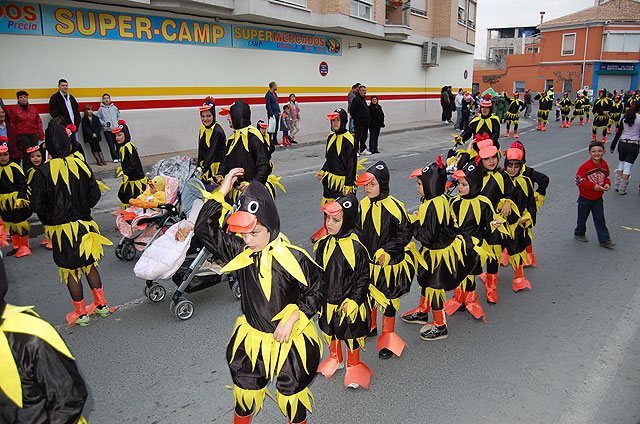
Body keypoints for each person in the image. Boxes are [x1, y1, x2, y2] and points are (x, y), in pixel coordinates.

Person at [195, 171, 324, 424]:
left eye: (255, 232)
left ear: (271, 226)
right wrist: (221, 192)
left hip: (289, 341)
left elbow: (317, 290)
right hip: (253, 339)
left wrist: (296, 314)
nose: (248, 240)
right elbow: (203, 230)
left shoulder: (295, 258)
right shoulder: (240, 251)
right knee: (245, 395)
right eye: (244, 233)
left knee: (291, 398)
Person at [30, 121, 115, 326]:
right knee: (89, 264)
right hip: (85, 226)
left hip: (61, 230)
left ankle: (82, 314)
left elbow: (37, 204)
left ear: (48, 149)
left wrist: (50, 220)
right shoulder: (81, 165)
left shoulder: (42, 172)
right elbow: (94, 195)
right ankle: (102, 305)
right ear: (69, 145)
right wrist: (82, 209)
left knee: (71, 270)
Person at [0, 257, 89, 423]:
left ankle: (82, 312)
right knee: (82, 266)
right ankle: (97, 305)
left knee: (72, 269)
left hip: (67, 233)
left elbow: (68, 400)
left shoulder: (29, 334)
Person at [356, 161, 416, 360]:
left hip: (390, 266)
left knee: (389, 300)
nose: (367, 189)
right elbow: (357, 231)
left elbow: (404, 234)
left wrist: (388, 251)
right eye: (366, 185)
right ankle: (371, 326)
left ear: (383, 184)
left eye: (372, 184)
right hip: (370, 265)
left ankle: (388, 337)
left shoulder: (395, 207)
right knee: (370, 295)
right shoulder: (362, 205)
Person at [404, 159, 467, 341]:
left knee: (434, 287)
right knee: (426, 280)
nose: (417, 186)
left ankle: (440, 325)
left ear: (431, 185)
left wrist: (414, 224)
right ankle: (423, 311)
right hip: (436, 250)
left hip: (438, 253)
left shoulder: (433, 206)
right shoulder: (437, 199)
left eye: (419, 183)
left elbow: (428, 236)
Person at [315, 194, 373, 389]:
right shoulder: (323, 245)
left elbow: (363, 277)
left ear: (347, 221)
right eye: (328, 218)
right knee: (330, 330)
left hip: (348, 303)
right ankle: (335, 358)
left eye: (336, 220)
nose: (329, 224)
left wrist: (355, 300)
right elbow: (319, 274)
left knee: (350, 335)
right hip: (328, 301)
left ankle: (354, 365)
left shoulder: (357, 248)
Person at [444, 159, 504, 320]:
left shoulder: (483, 203)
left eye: (465, 184)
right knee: (457, 273)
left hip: (474, 246)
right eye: (459, 184)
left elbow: (488, 222)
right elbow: (451, 222)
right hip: (457, 246)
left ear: (475, 184)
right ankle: (459, 300)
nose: (460, 188)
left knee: (470, 274)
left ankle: (471, 300)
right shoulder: (455, 202)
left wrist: (494, 224)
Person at [475, 137, 516, 305]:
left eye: (493, 157)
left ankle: (491, 288)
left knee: (493, 256)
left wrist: (507, 201)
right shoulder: (474, 175)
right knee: (474, 257)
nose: (491, 161)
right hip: (476, 223)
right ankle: (466, 296)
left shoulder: (502, 175)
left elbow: (509, 192)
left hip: (495, 223)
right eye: (486, 158)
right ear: (480, 159)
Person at [312, 108, 357, 241]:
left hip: (342, 182)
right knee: (328, 206)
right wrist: (323, 171)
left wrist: (348, 184)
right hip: (329, 180)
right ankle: (327, 230)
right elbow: (329, 159)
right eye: (333, 121)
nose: (335, 123)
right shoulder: (330, 137)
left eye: (337, 120)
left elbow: (351, 164)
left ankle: (344, 233)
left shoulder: (349, 139)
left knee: (340, 209)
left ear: (343, 121)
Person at [218, 99, 272, 203]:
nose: (228, 118)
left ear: (237, 116)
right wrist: (220, 175)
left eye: (230, 115)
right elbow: (225, 161)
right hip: (235, 194)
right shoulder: (232, 139)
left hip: (252, 194)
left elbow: (264, 166)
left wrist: (252, 185)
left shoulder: (254, 138)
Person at [501, 145, 536, 292]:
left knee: (517, 250)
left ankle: (519, 277)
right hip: (501, 223)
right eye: (510, 165)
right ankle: (491, 277)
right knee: (496, 249)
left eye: (516, 166)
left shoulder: (526, 182)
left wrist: (527, 217)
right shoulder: (500, 179)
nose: (512, 169)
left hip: (518, 223)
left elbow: (531, 204)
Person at [574, 141, 615, 248]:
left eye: (599, 151)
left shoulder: (604, 165)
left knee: (600, 218)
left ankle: (604, 240)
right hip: (585, 197)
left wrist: (607, 184)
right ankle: (579, 233)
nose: (597, 154)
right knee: (582, 217)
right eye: (594, 151)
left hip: (598, 197)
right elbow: (579, 181)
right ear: (589, 153)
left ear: (604, 152)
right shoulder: (585, 166)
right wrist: (593, 186)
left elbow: (606, 177)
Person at [0, 138, 31, 257]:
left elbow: (23, 185)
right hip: (3, 201)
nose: (3, 158)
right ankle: (16, 245)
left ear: (10, 155)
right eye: (0, 155)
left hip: (16, 200)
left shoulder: (14, 168)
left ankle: (24, 246)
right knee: (9, 222)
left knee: (19, 222)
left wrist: (21, 198)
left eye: (5, 155)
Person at [25, 144, 53, 250]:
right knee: (43, 219)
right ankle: (48, 237)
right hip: (38, 200)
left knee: (49, 219)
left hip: (47, 200)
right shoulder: (30, 171)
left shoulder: (46, 170)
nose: (35, 158)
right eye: (33, 157)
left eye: (38, 156)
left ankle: (52, 240)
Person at [114, 120, 147, 208]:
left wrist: (126, 173)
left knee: (135, 198)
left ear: (126, 134)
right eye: (116, 136)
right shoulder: (122, 147)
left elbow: (134, 163)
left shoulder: (128, 147)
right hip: (130, 179)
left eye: (119, 135)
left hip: (136, 180)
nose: (117, 138)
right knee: (123, 195)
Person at [8, 90, 44, 170]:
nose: (23, 99)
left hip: (34, 133)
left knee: (35, 153)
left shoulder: (33, 108)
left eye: (25, 97)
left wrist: (41, 133)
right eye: (21, 97)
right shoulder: (14, 110)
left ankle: (36, 171)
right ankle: (27, 172)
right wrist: (14, 136)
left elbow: (38, 121)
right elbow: (12, 124)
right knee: (26, 154)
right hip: (22, 134)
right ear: (18, 99)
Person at [609, 104, 640, 195]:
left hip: (622, 143)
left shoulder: (625, 118)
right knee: (628, 166)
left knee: (621, 163)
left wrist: (612, 146)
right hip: (634, 143)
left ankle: (617, 185)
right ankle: (622, 188)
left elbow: (618, 133)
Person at [197, 97, 226, 184]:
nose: (205, 119)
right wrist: (198, 165)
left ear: (214, 115)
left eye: (208, 116)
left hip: (215, 169)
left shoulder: (217, 131)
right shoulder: (202, 128)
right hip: (205, 167)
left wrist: (202, 168)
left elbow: (212, 152)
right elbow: (201, 150)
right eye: (203, 116)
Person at [96, 93, 121, 163]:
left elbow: (118, 115)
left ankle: (119, 157)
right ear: (103, 100)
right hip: (107, 130)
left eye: (107, 98)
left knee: (118, 144)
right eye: (104, 98)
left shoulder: (114, 108)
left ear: (110, 99)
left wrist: (118, 123)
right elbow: (99, 119)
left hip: (116, 129)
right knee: (111, 145)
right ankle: (114, 158)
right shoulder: (101, 109)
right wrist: (104, 124)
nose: (106, 99)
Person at [349, 85, 370, 155]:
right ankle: (355, 150)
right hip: (359, 122)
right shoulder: (356, 99)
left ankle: (363, 149)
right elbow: (352, 110)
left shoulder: (363, 99)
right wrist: (357, 117)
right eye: (363, 90)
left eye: (365, 90)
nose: (364, 92)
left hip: (365, 122)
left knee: (364, 137)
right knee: (357, 137)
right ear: (359, 91)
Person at [265, 81, 280, 146]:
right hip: (272, 114)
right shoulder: (268, 95)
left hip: (277, 113)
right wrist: (271, 113)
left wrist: (279, 110)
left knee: (276, 128)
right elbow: (268, 105)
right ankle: (269, 140)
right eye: (276, 85)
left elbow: (276, 103)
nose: (277, 87)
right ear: (273, 86)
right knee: (271, 128)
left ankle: (275, 140)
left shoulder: (275, 94)